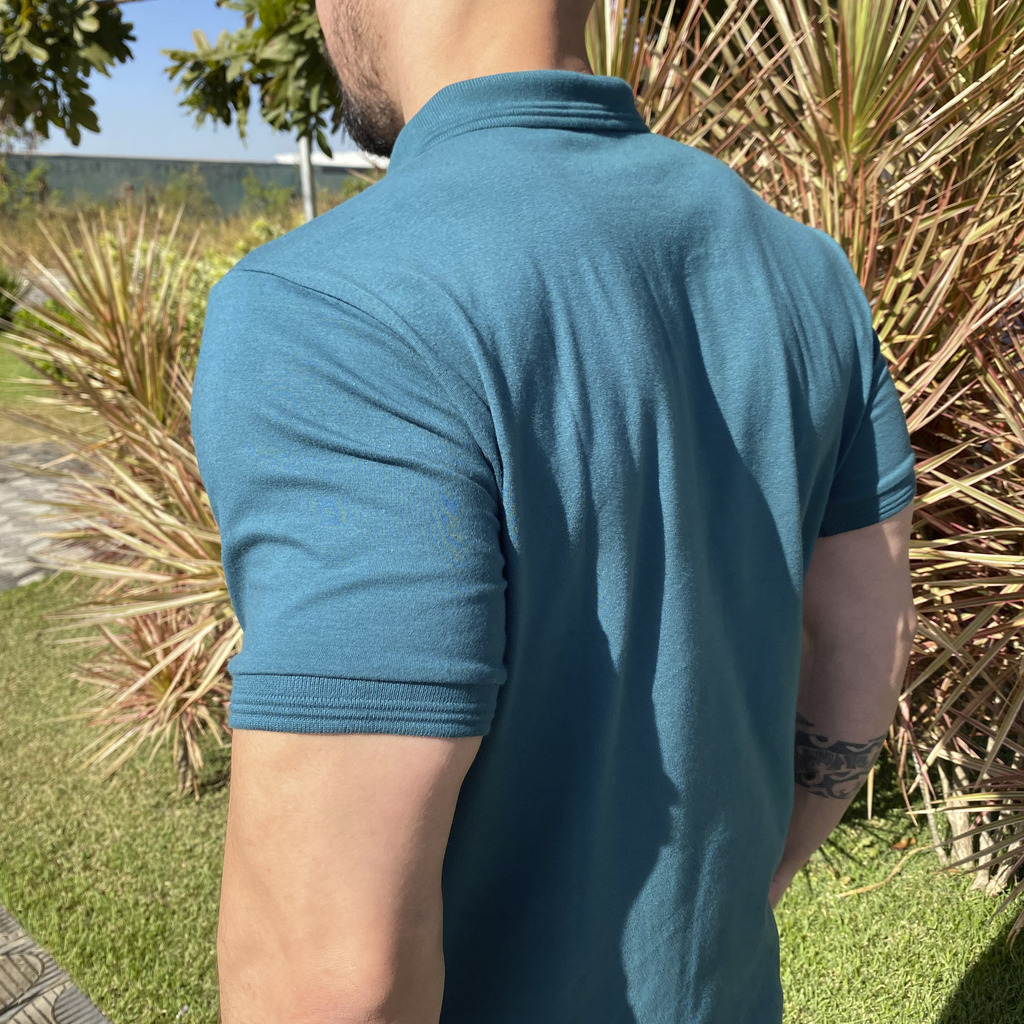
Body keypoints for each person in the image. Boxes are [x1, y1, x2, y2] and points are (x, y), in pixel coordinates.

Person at [188, 0, 918, 1021]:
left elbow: (331, 982)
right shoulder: (808, 273)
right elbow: (868, 634)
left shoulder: (331, 312)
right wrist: (756, 882)